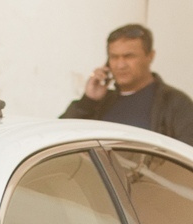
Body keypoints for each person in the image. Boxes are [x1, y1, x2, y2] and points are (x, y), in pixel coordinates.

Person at [63, 23, 193, 143]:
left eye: (129, 56)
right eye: (114, 57)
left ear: (150, 56)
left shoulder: (175, 103)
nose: (120, 65)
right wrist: (88, 101)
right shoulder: (100, 102)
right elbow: (60, 139)